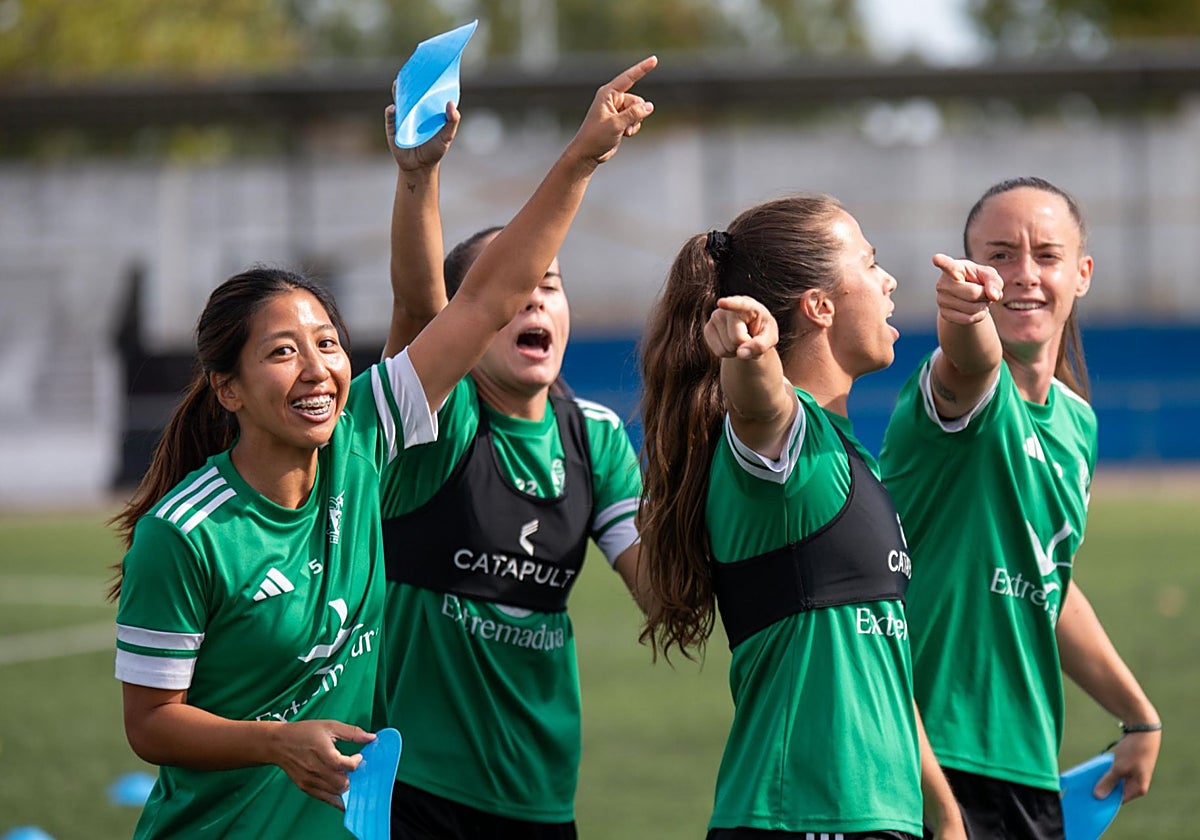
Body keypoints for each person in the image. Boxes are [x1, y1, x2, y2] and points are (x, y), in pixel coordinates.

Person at [107, 55, 655, 839]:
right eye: (281, 351)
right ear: (227, 388)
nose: (318, 368)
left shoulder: (366, 440)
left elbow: (484, 299)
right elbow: (150, 725)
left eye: (327, 342)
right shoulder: (185, 532)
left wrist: (582, 157)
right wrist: (275, 742)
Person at [373, 57, 656, 839]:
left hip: (541, 793)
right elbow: (418, 302)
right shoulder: (439, 425)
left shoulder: (595, 438)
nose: (536, 296)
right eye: (518, 285)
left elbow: (662, 592)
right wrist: (419, 175)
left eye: (553, 283)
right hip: (412, 786)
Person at [638, 196, 965, 840]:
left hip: (876, 818)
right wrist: (751, 355)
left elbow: (879, 665)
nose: (889, 280)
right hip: (801, 818)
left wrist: (945, 816)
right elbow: (761, 409)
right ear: (820, 306)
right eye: (870, 263)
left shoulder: (850, 458)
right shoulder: (784, 451)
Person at [879, 176, 1162, 839]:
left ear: (1081, 273)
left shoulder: (1077, 424)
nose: (1023, 274)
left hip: (1029, 765)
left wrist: (1138, 715)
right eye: (1000, 254)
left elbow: (1048, 583)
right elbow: (969, 361)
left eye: (1046, 255)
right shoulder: (960, 390)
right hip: (922, 756)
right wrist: (966, 316)